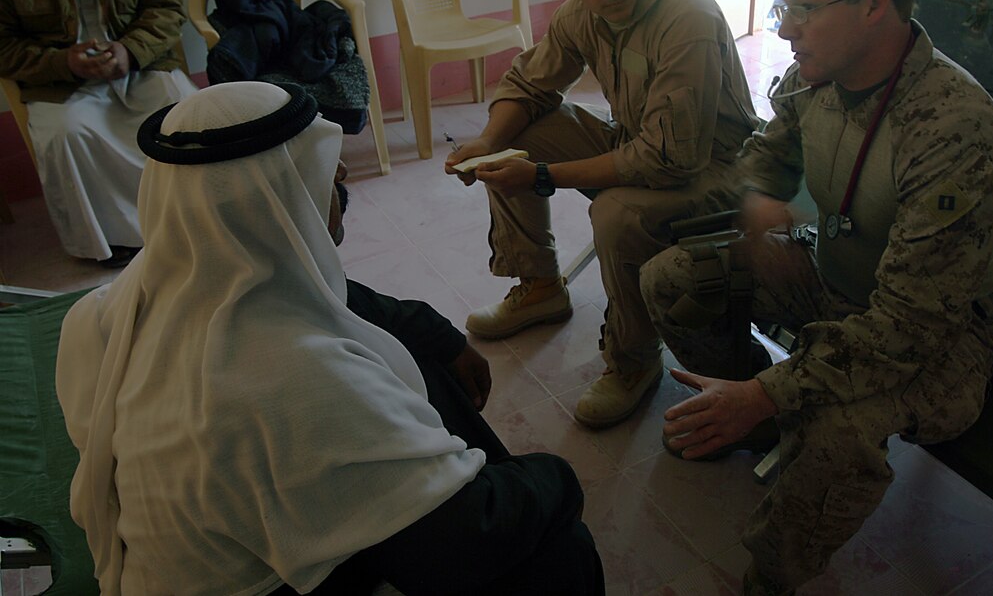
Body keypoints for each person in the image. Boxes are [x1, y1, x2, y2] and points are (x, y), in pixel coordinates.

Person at [55, 81, 604, 595]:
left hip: (206, 545)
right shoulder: (290, 379)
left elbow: (336, 296)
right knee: (552, 553)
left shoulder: (127, 298)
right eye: (329, 178)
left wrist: (436, 334)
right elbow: (465, 544)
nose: (341, 173)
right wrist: (556, 476)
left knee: (414, 353)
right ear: (276, 206)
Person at [639, 0, 993, 594]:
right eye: (785, 9)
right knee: (675, 279)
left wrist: (767, 390)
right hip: (837, 270)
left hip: (942, 338)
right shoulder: (815, 78)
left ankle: (774, 570)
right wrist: (758, 201)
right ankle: (754, 425)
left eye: (803, 9)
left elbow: (907, 327)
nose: (785, 29)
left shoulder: (959, 130)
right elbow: (764, 155)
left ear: (874, 5)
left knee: (838, 433)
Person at [445, 0, 760, 429]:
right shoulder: (580, 16)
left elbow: (669, 158)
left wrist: (542, 176)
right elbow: (528, 82)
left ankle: (634, 360)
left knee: (616, 213)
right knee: (518, 136)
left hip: (717, 169)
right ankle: (541, 285)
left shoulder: (688, 16)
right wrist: (487, 140)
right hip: (642, 141)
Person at [0, 0, 197, 267]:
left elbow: (167, 4)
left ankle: (196, 220)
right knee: (65, 135)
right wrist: (64, 62)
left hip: (141, 65)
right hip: (61, 82)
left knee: (187, 115)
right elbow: (3, 46)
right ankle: (114, 243)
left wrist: (130, 50)